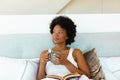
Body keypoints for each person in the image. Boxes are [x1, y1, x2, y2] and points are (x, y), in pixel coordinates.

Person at [37, 16, 90, 80]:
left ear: (67, 35)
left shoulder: (76, 52)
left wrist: (66, 62)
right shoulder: (45, 54)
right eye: (54, 32)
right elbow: (40, 79)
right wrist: (42, 63)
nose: (55, 35)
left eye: (60, 32)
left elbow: (87, 76)